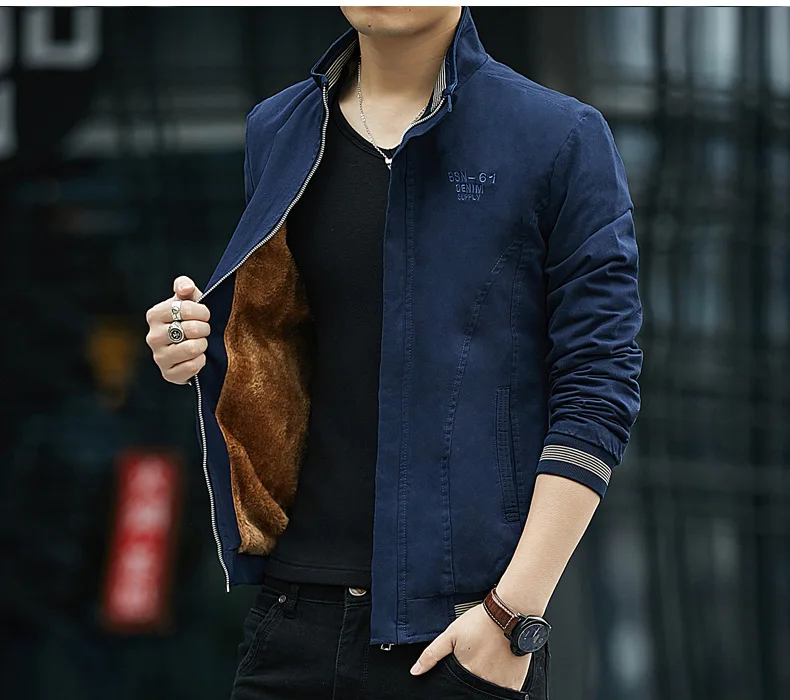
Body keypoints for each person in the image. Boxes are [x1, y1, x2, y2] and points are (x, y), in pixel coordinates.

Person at [145, 6, 642, 699]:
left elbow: (598, 384)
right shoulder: (280, 128)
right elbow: (285, 339)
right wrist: (195, 342)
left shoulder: (556, 135)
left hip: (462, 633)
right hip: (294, 619)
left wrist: (511, 615)